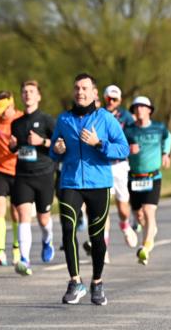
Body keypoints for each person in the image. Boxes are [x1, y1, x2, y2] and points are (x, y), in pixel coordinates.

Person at [50, 73, 129, 305]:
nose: (80, 92)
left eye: (85, 88)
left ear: (95, 93)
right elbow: (54, 150)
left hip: (99, 183)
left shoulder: (105, 119)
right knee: (67, 229)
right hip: (70, 182)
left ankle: (97, 282)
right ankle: (75, 282)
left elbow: (123, 149)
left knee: (96, 236)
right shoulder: (64, 119)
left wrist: (99, 144)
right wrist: (57, 148)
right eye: (76, 88)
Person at [7, 80, 57, 275]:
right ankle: (24, 259)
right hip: (22, 175)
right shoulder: (16, 123)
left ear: (38, 96)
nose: (28, 94)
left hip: (44, 174)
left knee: (44, 219)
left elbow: (59, 144)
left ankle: (47, 239)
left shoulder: (46, 120)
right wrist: (13, 147)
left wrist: (42, 141)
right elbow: (17, 149)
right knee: (23, 216)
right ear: (21, 96)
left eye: (31, 91)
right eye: (25, 92)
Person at [123, 96, 171, 265]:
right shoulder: (128, 130)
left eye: (143, 107)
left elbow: (168, 137)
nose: (139, 110)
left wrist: (165, 153)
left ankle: (146, 248)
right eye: (136, 107)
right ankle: (150, 232)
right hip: (134, 177)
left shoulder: (159, 128)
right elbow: (119, 146)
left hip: (153, 177)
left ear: (150, 110)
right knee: (139, 215)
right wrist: (128, 149)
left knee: (149, 211)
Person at [101, 85, 137, 250]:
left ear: (119, 100)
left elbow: (134, 134)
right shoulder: (98, 114)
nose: (111, 101)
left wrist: (134, 144)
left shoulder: (126, 117)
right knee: (104, 207)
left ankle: (124, 224)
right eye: (108, 98)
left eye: (114, 99)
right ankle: (103, 246)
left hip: (120, 165)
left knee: (123, 207)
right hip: (103, 165)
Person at [0, 90, 21, 266]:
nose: (0, 113)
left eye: (3, 109)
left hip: (18, 171)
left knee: (15, 211)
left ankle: (16, 248)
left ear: (11, 104)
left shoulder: (22, 119)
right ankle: (0, 251)